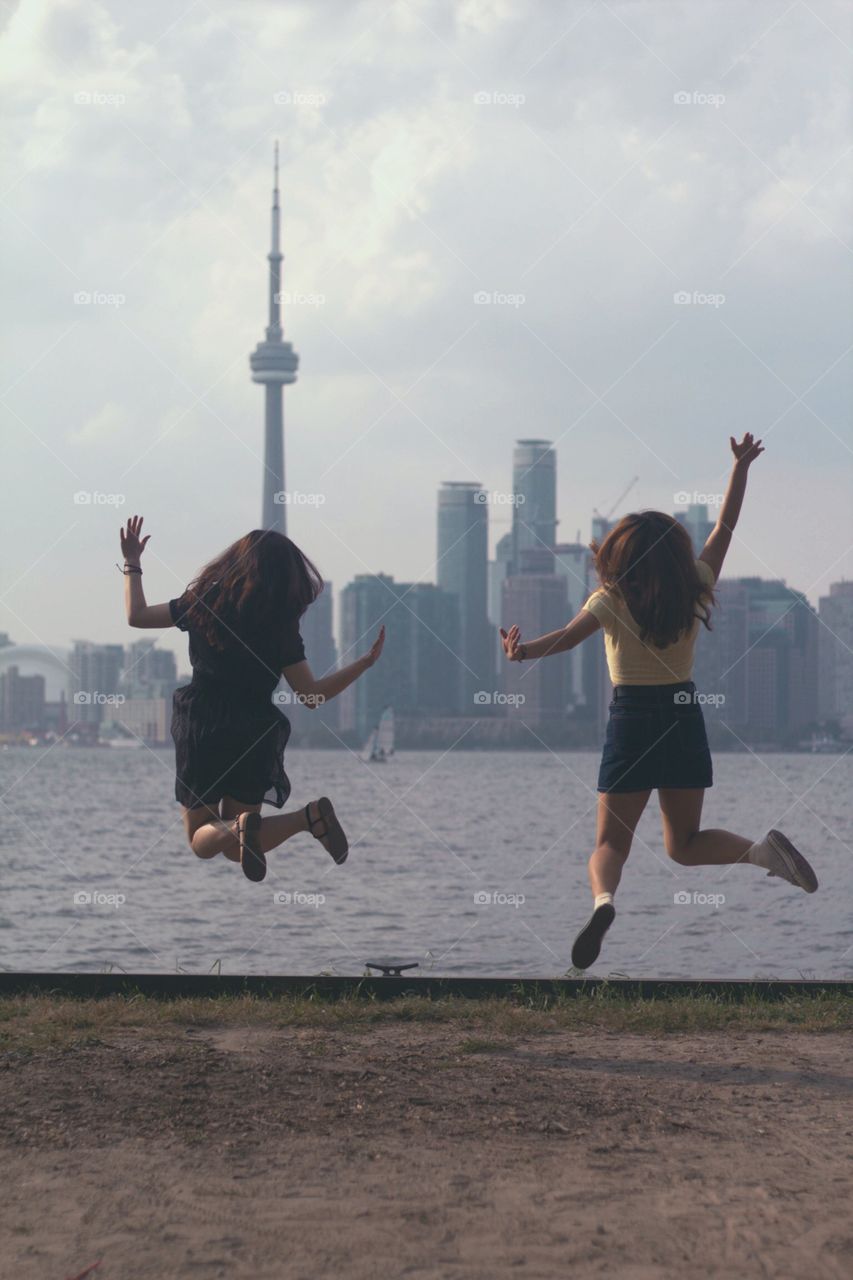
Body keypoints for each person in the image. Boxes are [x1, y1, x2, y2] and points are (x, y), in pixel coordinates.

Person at [500, 434, 818, 970]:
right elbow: (725, 527)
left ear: (619, 556)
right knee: (685, 843)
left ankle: (603, 902)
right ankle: (760, 853)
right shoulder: (694, 584)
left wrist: (521, 651)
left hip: (631, 719)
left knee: (610, 846)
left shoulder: (609, 599)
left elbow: (565, 638)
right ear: (673, 553)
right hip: (681, 716)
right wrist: (739, 469)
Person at [119, 517, 385, 883]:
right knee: (235, 844)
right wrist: (365, 663)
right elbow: (310, 695)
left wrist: (132, 562)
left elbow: (137, 616)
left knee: (202, 840)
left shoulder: (204, 602)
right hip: (255, 730)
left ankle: (248, 825)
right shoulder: (281, 626)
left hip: (203, 724)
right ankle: (308, 819)